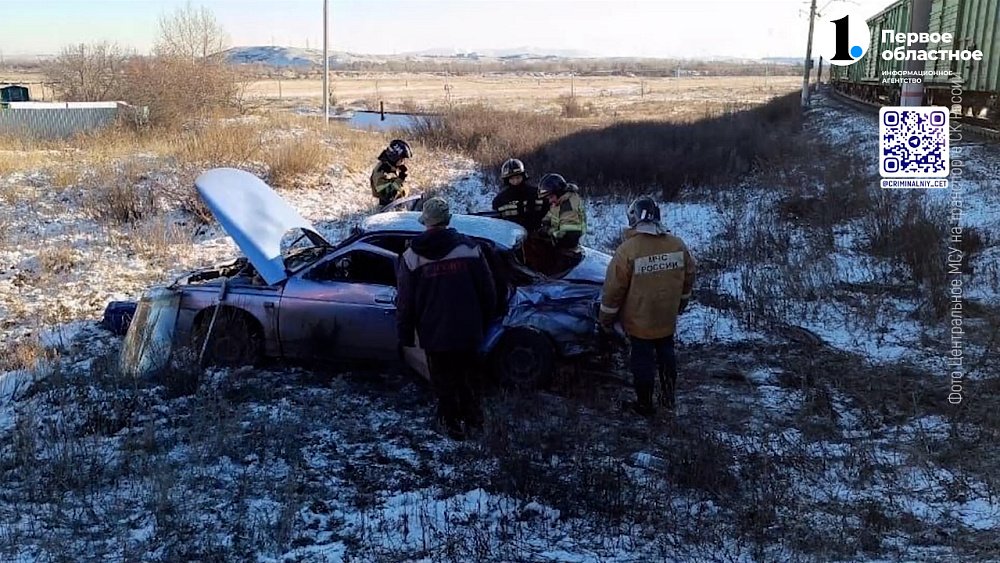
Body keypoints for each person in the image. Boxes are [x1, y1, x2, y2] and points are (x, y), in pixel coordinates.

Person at [396, 197, 498, 440]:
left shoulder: (411, 256)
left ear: (425, 223)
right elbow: (488, 290)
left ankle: (451, 426)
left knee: (443, 380)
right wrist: (485, 321)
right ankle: (474, 423)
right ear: (448, 219)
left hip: (434, 331)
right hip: (468, 329)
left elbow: (405, 301)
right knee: (469, 378)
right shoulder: (470, 248)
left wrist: (405, 334)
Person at [598, 197, 696, 417]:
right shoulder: (677, 244)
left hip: (639, 320)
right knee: (666, 355)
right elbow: (689, 275)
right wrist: (681, 303)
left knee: (642, 362)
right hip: (666, 317)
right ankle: (668, 398)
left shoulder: (627, 250)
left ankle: (644, 404)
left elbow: (613, 290)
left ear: (633, 218)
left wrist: (605, 319)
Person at [537, 173, 587, 275]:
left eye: (551, 197)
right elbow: (552, 214)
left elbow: (568, 235)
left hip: (568, 253)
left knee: (551, 279)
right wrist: (544, 222)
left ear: (559, 192)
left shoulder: (569, 206)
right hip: (559, 246)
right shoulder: (560, 201)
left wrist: (547, 231)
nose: (550, 201)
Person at [491, 158, 546, 231]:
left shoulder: (536, 194)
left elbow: (548, 213)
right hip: (511, 237)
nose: (515, 181)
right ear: (507, 180)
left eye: (518, 177)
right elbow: (497, 223)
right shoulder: (500, 200)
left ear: (523, 176)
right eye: (512, 179)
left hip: (537, 235)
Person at [370, 139, 413, 207]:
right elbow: (388, 196)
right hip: (388, 211)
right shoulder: (382, 171)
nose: (403, 162)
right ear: (394, 157)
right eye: (401, 159)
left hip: (396, 206)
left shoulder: (390, 167)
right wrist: (400, 179)